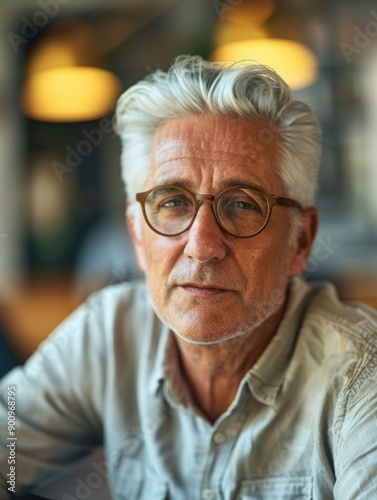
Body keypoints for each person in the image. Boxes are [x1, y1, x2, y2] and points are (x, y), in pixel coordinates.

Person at [1, 55, 377, 500]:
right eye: (172, 202)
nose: (201, 245)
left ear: (300, 241)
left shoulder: (360, 379)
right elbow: (9, 445)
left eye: (241, 204)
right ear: (137, 237)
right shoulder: (109, 333)